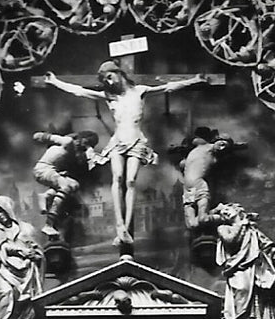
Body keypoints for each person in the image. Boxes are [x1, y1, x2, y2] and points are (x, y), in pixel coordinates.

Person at [40, 61, 210, 246]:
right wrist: (55, 82)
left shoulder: (140, 91)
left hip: (136, 141)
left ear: (118, 73)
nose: (108, 81)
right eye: (105, 80)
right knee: (118, 178)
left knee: (130, 182)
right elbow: (79, 91)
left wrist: (194, 80)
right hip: (118, 142)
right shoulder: (109, 97)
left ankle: (126, 228)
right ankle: (119, 226)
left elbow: (168, 87)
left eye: (109, 76)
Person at [208, 203, 275, 319]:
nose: (225, 213)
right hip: (238, 267)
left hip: (257, 267)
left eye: (227, 210)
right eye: (223, 214)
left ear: (237, 210)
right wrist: (242, 224)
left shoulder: (253, 231)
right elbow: (230, 240)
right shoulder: (223, 228)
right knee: (242, 289)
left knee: (259, 293)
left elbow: (267, 249)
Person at [32, 129, 100, 237]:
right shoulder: (67, 141)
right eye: (86, 144)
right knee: (65, 186)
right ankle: (49, 224)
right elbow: (38, 136)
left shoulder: (73, 153)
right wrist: (45, 137)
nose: (85, 148)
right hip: (43, 170)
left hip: (50, 171)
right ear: (81, 139)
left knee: (74, 184)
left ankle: (46, 195)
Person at [180, 128, 240, 228]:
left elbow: (182, 165)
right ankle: (222, 214)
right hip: (193, 186)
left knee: (197, 222)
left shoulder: (201, 150)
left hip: (192, 185)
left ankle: (222, 216)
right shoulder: (205, 148)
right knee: (195, 223)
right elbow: (223, 145)